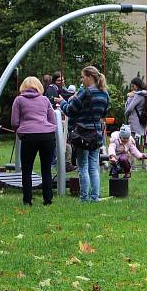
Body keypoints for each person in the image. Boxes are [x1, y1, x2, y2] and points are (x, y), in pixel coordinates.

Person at [62, 66, 110, 202]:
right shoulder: (104, 94)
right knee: (94, 167)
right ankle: (95, 197)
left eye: (83, 77)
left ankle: (84, 198)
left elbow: (70, 110)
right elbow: (104, 113)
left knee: (82, 166)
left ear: (90, 77)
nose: (81, 80)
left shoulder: (85, 93)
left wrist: (63, 102)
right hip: (96, 135)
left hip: (82, 135)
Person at [11, 76, 57, 206]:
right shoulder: (45, 100)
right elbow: (52, 119)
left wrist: (20, 131)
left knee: (27, 169)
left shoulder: (19, 100)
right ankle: (48, 200)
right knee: (46, 169)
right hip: (47, 136)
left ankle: (27, 200)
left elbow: (14, 121)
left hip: (28, 136)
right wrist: (49, 129)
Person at [124, 77, 147, 147]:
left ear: (137, 85)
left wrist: (125, 113)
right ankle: (141, 156)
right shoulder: (146, 94)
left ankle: (136, 157)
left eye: (133, 86)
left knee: (133, 143)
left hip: (135, 121)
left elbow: (129, 108)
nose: (132, 88)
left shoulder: (138, 95)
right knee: (140, 141)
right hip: (142, 119)